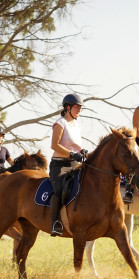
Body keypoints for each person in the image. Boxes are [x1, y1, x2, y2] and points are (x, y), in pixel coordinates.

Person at [49, 93, 88, 236]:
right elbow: (54, 145)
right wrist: (71, 154)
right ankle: (55, 223)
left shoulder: (76, 124)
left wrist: (81, 151)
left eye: (80, 108)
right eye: (77, 107)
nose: (79, 110)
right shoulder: (60, 123)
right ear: (68, 107)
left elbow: (76, 145)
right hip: (60, 165)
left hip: (75, 163)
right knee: (59, 190)